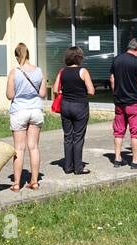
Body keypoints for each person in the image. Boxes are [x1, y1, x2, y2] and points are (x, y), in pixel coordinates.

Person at [6, 43, 46, 190]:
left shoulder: (14, 72)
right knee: (34, 147)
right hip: (35, 110)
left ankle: (16, 183)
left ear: (17, 56)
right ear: (28, 54)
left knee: (19, 149)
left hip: (19, 111)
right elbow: (42, 94)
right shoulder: (39, 71)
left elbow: (10, 95)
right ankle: (34, 181)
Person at [54, 46, 95, 175]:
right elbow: (91, 91)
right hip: (80, 106)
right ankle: (78, 167)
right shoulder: (83, 71)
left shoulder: (62, 71)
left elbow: (55, 90)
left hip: (65, 106)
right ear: (79, 57)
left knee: (67, 137)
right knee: (78, 137)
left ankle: (68, 167)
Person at [110, 37, 137, 168]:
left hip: (119, 102)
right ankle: (136, 161)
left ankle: (117, 158)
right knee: (136, 132)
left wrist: (116, 94)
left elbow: (112, 79)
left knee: (119, 131)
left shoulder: (117, 59)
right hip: (134, 102)